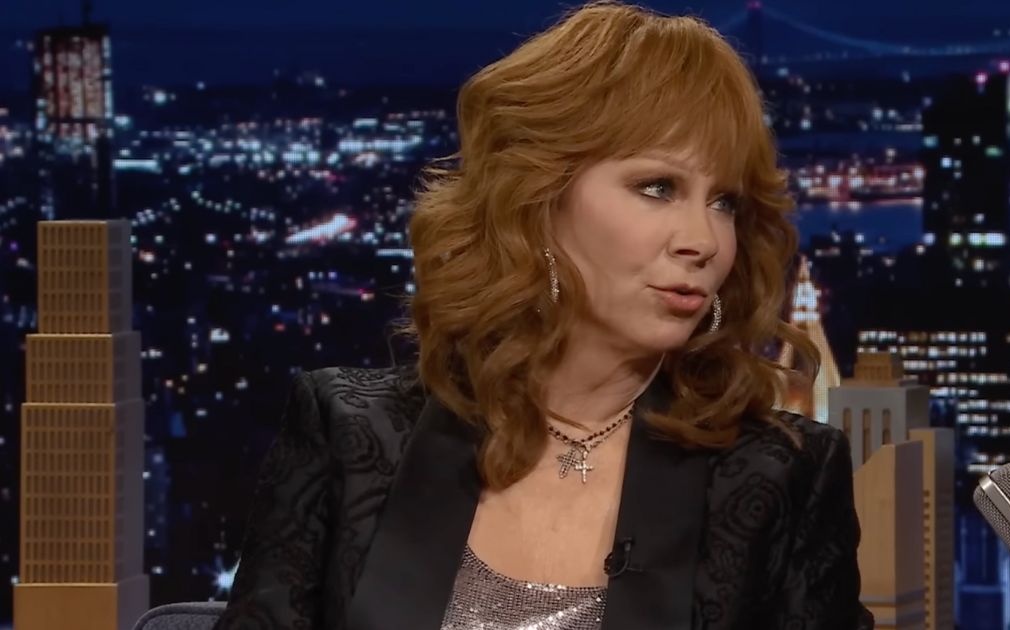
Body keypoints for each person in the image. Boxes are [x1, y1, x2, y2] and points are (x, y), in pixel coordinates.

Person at [214, 1, 873, 628]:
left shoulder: (781, 474)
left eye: (724, 201)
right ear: (541, 200)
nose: (702, 240)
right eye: (658, 187)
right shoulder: (349, 436)